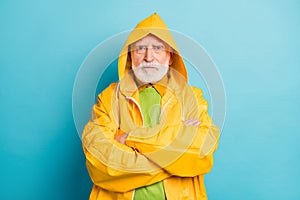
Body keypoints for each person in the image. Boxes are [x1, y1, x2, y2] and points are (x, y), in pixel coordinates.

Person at [82, 13, 220, 200]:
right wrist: (173, 160)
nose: (149, 57)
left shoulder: (192, 98)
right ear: (131, 56)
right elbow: (100, 161)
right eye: (140, 49)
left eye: (157, 48)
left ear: (170, 57)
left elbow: (201, 151)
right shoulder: (109, 98)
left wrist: (130, 139)